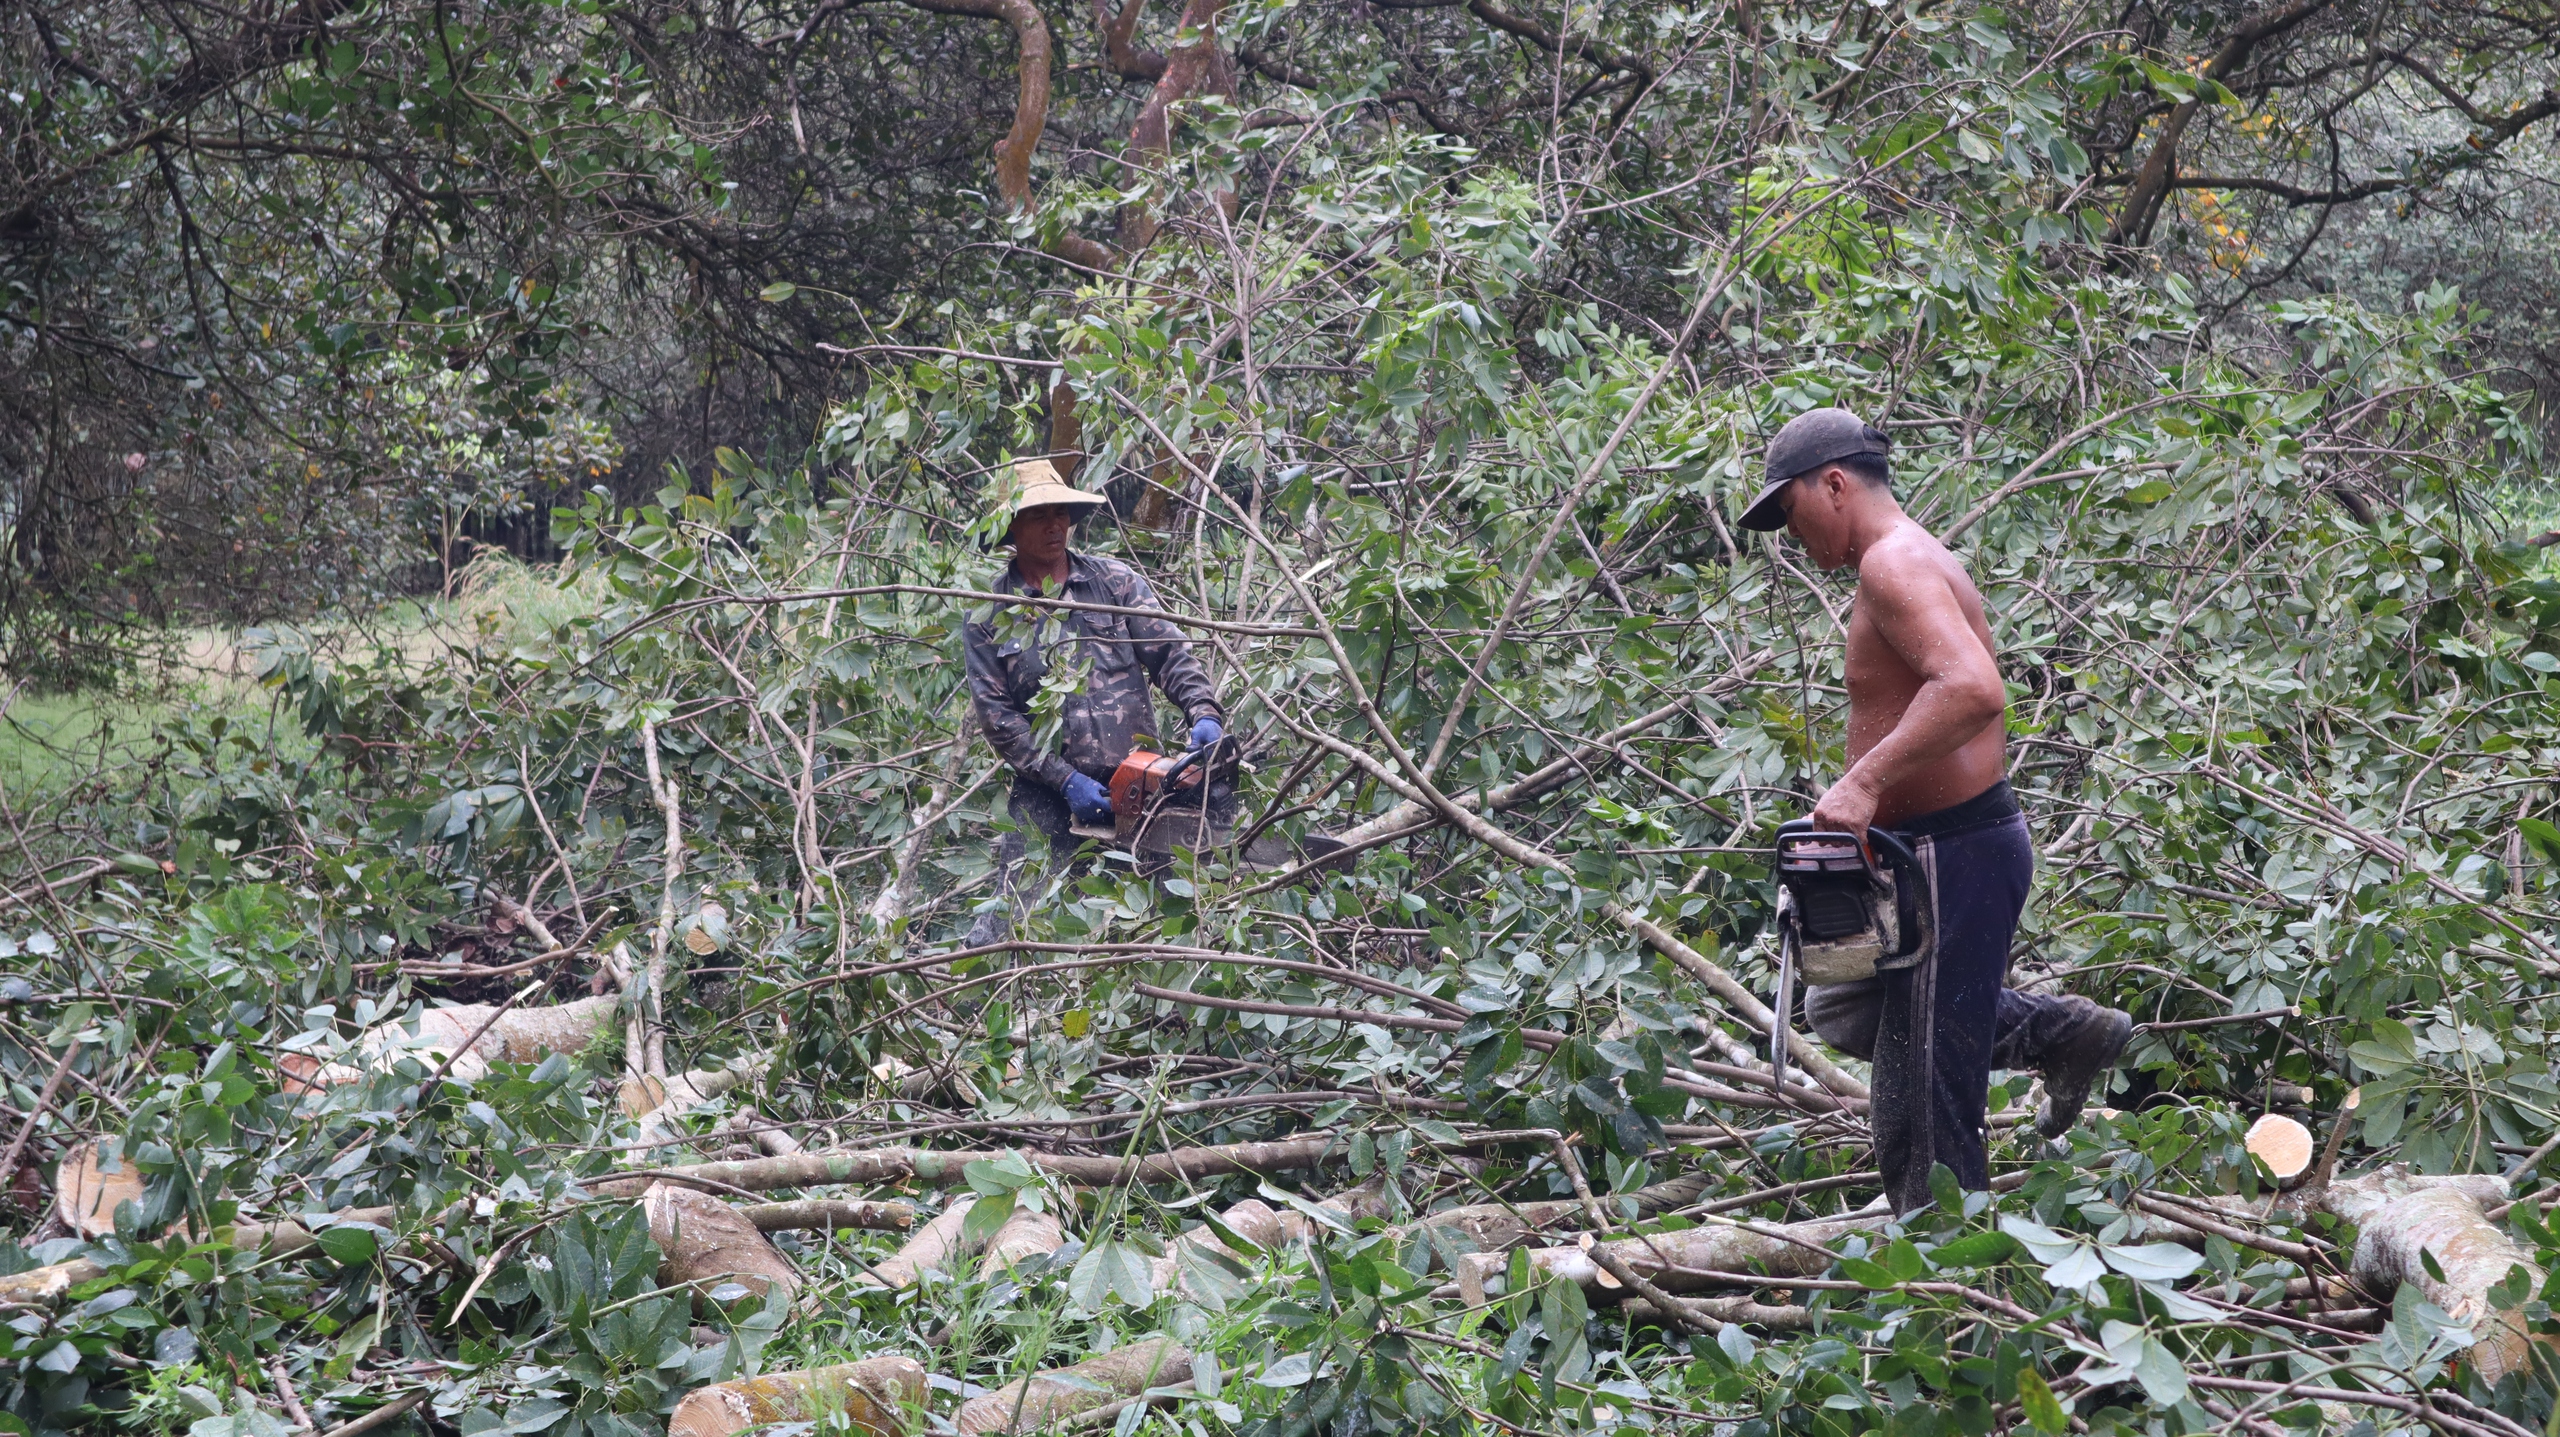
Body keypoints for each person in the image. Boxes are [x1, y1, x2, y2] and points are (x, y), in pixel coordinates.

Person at [1737, 408, 2132, 1213]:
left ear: (1835, 484)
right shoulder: (1895, 560)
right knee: (1843, 1002)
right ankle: (2064, 1032)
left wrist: (1863, 784)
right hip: (1919, 852)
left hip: (1955, 851)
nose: (1788, 529)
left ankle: (1944, 1273)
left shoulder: (1893, 564)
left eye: (1791, 508)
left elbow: (1974, 687)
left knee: (1921, 1095)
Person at [960, 460, 1229, 946]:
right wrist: (1064, 780)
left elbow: (1168, 653)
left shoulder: (1114, 582)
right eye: (1038, 515)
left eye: (1060, 512)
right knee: (1017, 918)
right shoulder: (990, 614)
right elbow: (998, 719)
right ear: (1010, 528)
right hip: (1048, 789)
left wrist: (1203, 712)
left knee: (1163, 908)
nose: (1054, 525)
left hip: (1138, 777)